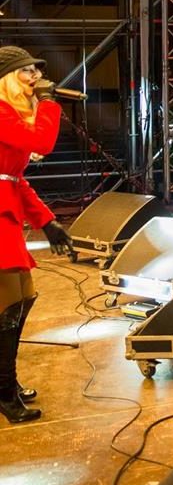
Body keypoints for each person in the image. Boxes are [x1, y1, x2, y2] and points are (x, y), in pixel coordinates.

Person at [0, 48, 72, 424]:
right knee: (8, 303)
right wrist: (48, 104)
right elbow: (42, 143)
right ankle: (3, 392)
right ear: (7, 78)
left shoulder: (10, 114)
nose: (35, 77)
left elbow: (14, 179)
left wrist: (47, 222)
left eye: (36, 71)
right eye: (26, 71)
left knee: (23, 297)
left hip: (7, 212)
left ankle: (6, 382)